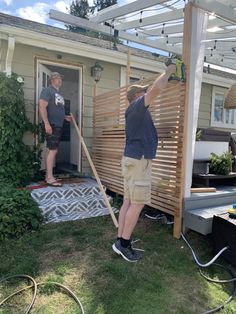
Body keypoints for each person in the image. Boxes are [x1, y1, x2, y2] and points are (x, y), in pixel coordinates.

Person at [112, 64, 176, 262]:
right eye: (143, 92)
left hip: (132, 159)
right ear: (137, 96)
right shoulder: (137, 107)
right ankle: (124, 244)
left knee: (128, 202)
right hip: (139, 161)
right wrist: (169, 72)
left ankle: (119, 241)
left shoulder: (135, 111)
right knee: (137, 204)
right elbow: (156, 89)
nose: (147, 94)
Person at [39, 72, 71, 187]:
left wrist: (65, 117)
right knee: (53, 150)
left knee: (51, 149)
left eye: (61, 78)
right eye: (58, 78)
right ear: (52, 79)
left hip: (58, 125)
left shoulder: (58, 94)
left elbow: (56, 109)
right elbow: (42, 106)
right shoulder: (48, 91)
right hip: (52, 124)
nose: (60, 80)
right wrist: (47, 124)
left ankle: (49, 175)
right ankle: (49, 177)